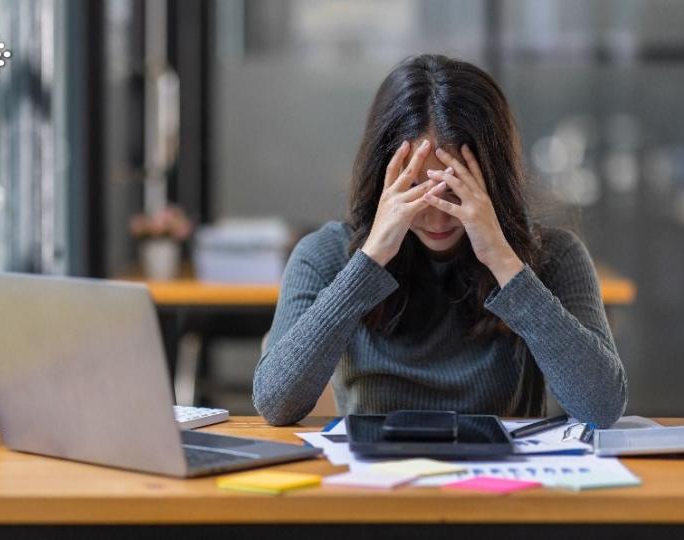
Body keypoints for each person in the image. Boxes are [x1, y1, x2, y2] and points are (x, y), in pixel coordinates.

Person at [253, 54, 627, 428]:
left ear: (494, 182)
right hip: (377, 481)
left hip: (502, 480)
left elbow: (602, 407)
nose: (436, 216)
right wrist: (370, 260)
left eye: (454, 191)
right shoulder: (328, 253)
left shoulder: (554, 256)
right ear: (383, 178)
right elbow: (275, 402)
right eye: (416, 190)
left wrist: (503, 260)